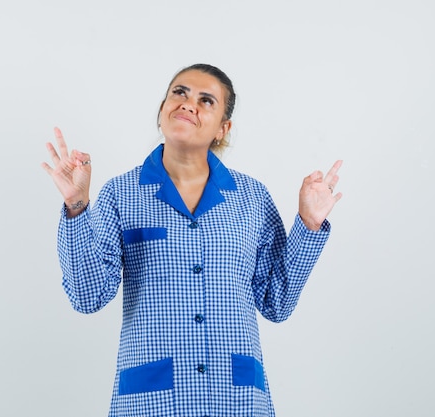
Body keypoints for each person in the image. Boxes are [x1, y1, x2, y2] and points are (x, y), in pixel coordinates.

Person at [42, 63, 342, 417]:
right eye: (179, 93)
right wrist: (76, 205)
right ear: (162, 110)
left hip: (237, 401)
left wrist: (308, 224)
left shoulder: (252, 198)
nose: (188, 104)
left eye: (206, 100)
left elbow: (277, 303)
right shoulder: (121, 194)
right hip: (151, 403)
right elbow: (87, 297)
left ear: (222, 128)